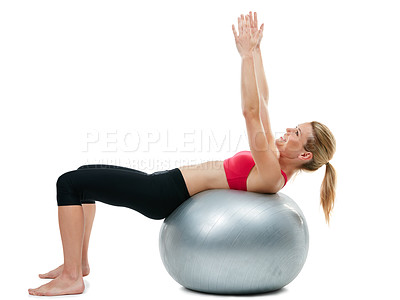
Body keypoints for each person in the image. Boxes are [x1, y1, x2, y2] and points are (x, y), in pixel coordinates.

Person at [28, 11, 336, 296]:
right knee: (83, 172)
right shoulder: (273, 157)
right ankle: (79, 264)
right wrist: (255, 51)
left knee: (68, 183)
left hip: (163, 194)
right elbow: (264, 101)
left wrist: (244, 57)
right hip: (166, 182)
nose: (287, 131)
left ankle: (71, 277)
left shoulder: (271, 172)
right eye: (293, 128)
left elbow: (251, 112)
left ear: (305, 156)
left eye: (296, 133)